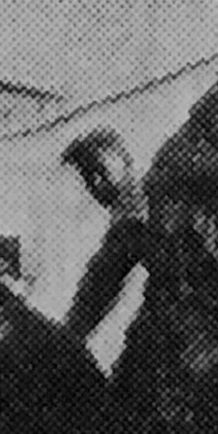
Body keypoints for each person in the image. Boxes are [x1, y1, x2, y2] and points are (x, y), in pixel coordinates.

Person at [62, 125, 151, 346]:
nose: (92, 186)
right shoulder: (136, 203)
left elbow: (94, 294)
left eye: (92, 176)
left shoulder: (129, 227)